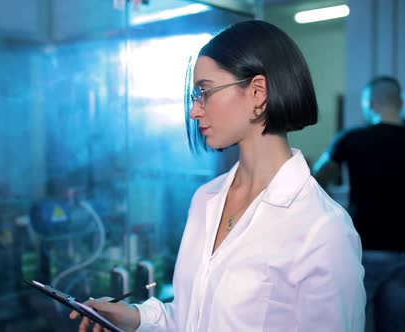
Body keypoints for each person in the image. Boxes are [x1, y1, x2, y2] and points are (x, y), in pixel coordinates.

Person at [70, 20, 366, 331]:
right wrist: (135, 316)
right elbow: (192, 317)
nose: (194, 110)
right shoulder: (205, 199)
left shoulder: (322, 229)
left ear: (257, 93)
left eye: (205, 92)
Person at [313, 76, 405, 332]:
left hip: (365, 251)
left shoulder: (352, 138)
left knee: (351, 323)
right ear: (399, 103)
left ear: (372, 104)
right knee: (394, 325)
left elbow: (316, 180)